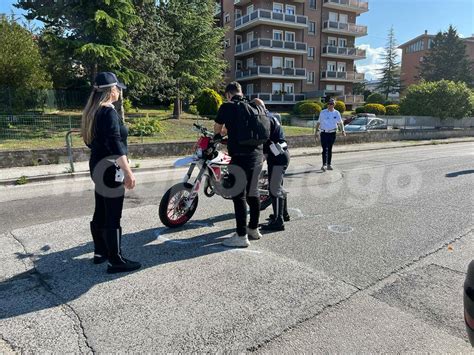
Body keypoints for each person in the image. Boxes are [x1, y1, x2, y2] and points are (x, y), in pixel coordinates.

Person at [81, 72, 141, 273]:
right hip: (110, 169)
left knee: (101, 209)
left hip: (97, 167)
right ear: (111, 90)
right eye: (117, 88)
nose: (119, 92)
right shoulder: (108, 112)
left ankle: (100, 252)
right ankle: (115, 260)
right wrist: (128, 172)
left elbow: (90, 141)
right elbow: (116, 145)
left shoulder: (92, 112)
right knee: (113, 214)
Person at [214, 82, 264, 248]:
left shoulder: (227, 107)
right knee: (253, 193)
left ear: (228, 94)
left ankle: (241, 236)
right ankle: (254, 229)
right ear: (241, 92)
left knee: (239, 196)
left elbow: (218, 128)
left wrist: (217, 137)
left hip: (239, 158)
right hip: (257, 156)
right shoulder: (253, 105)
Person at [252, 99, 290, 231]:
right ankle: (283, 214)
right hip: (281, 154)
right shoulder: (271, 116)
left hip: (278, 156)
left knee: (275, 189)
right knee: (278, 186)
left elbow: (265, 142)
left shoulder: (265, 120)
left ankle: (278, 221)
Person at [315, 98, 346, 171]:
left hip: (332, 133)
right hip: (324, 133)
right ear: (327, 104)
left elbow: (340, 123)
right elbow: (318, 122)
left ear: (334, 105)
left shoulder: (336, 113)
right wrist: (316, 132)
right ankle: (324, 164)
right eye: (329, 104)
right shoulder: (323, 112)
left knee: (330, 149)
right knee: (324, 149)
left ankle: (329, 164)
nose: (330, 105)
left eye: (331, 104)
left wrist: (343, 130)